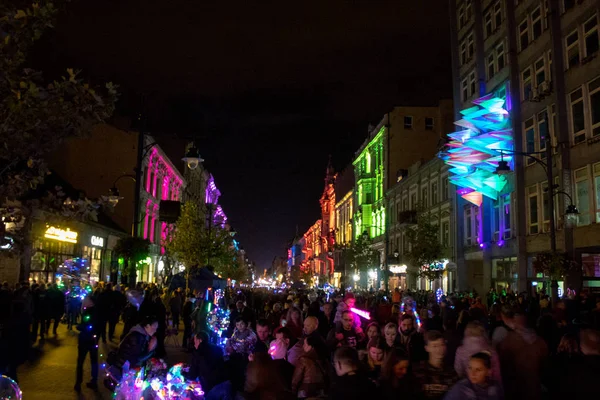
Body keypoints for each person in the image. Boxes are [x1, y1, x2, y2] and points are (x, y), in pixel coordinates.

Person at [412, 330, 458, 400]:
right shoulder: (417, 370)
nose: (439, 349)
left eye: (442, 345)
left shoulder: (451, 373)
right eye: (435, 346)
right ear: (427, 348)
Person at [75, 296, 101, 392]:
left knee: (81, 361)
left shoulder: (88, 312)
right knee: (94, 360)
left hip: (85, 340)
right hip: (93, 340)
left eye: (86, 300)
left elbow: (86, 326)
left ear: (90, 302)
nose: (84, 301)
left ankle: (78, 382)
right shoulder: (97, 311)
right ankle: (94, 380)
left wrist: (79, 327)